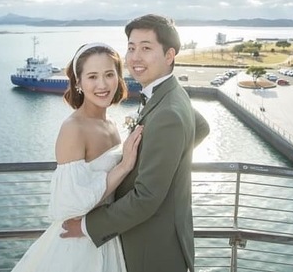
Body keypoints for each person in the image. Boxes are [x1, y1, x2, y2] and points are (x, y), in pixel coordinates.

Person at [61, 14, 211, 272]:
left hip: (150, 247)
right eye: (131, 48)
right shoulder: (172, 93)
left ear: (169, 55)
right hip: (163, 238)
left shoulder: (167, 114)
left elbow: (147, 197)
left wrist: (85, 226)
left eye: (146, 48)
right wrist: (164, 160)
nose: (135, 57)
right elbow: (201, 127)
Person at [10, 42, 143, 272]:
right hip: (79, 245)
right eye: (92, 76)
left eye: (109, 74)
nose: (102, 85)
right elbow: (73, 203)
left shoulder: (110, 122)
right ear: (78, 82)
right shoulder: (73, 128)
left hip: (104, 234)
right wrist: (124, 166)